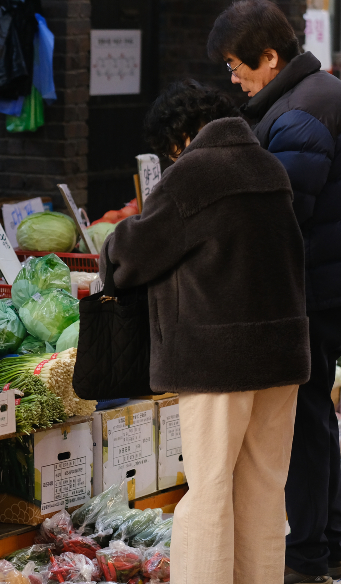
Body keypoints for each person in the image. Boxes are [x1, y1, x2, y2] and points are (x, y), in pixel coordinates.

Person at [100, 80, 310, 584]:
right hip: (281, 353)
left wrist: (109, 252)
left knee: (209, 491)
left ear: (178, 139)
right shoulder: (268, 165)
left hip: (218, 358)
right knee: (263, 489)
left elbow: (133, 254)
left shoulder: (193, 173)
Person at [208, 2, 341, 582]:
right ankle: (329, 540)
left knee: (306, 418)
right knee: (318, 417)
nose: (233, 79)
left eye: (239, 66)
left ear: (270, 57)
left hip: (314, 288)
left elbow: (282, 222)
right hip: (328, 281)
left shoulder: (298, 118)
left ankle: (307, 556)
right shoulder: (320, 92)